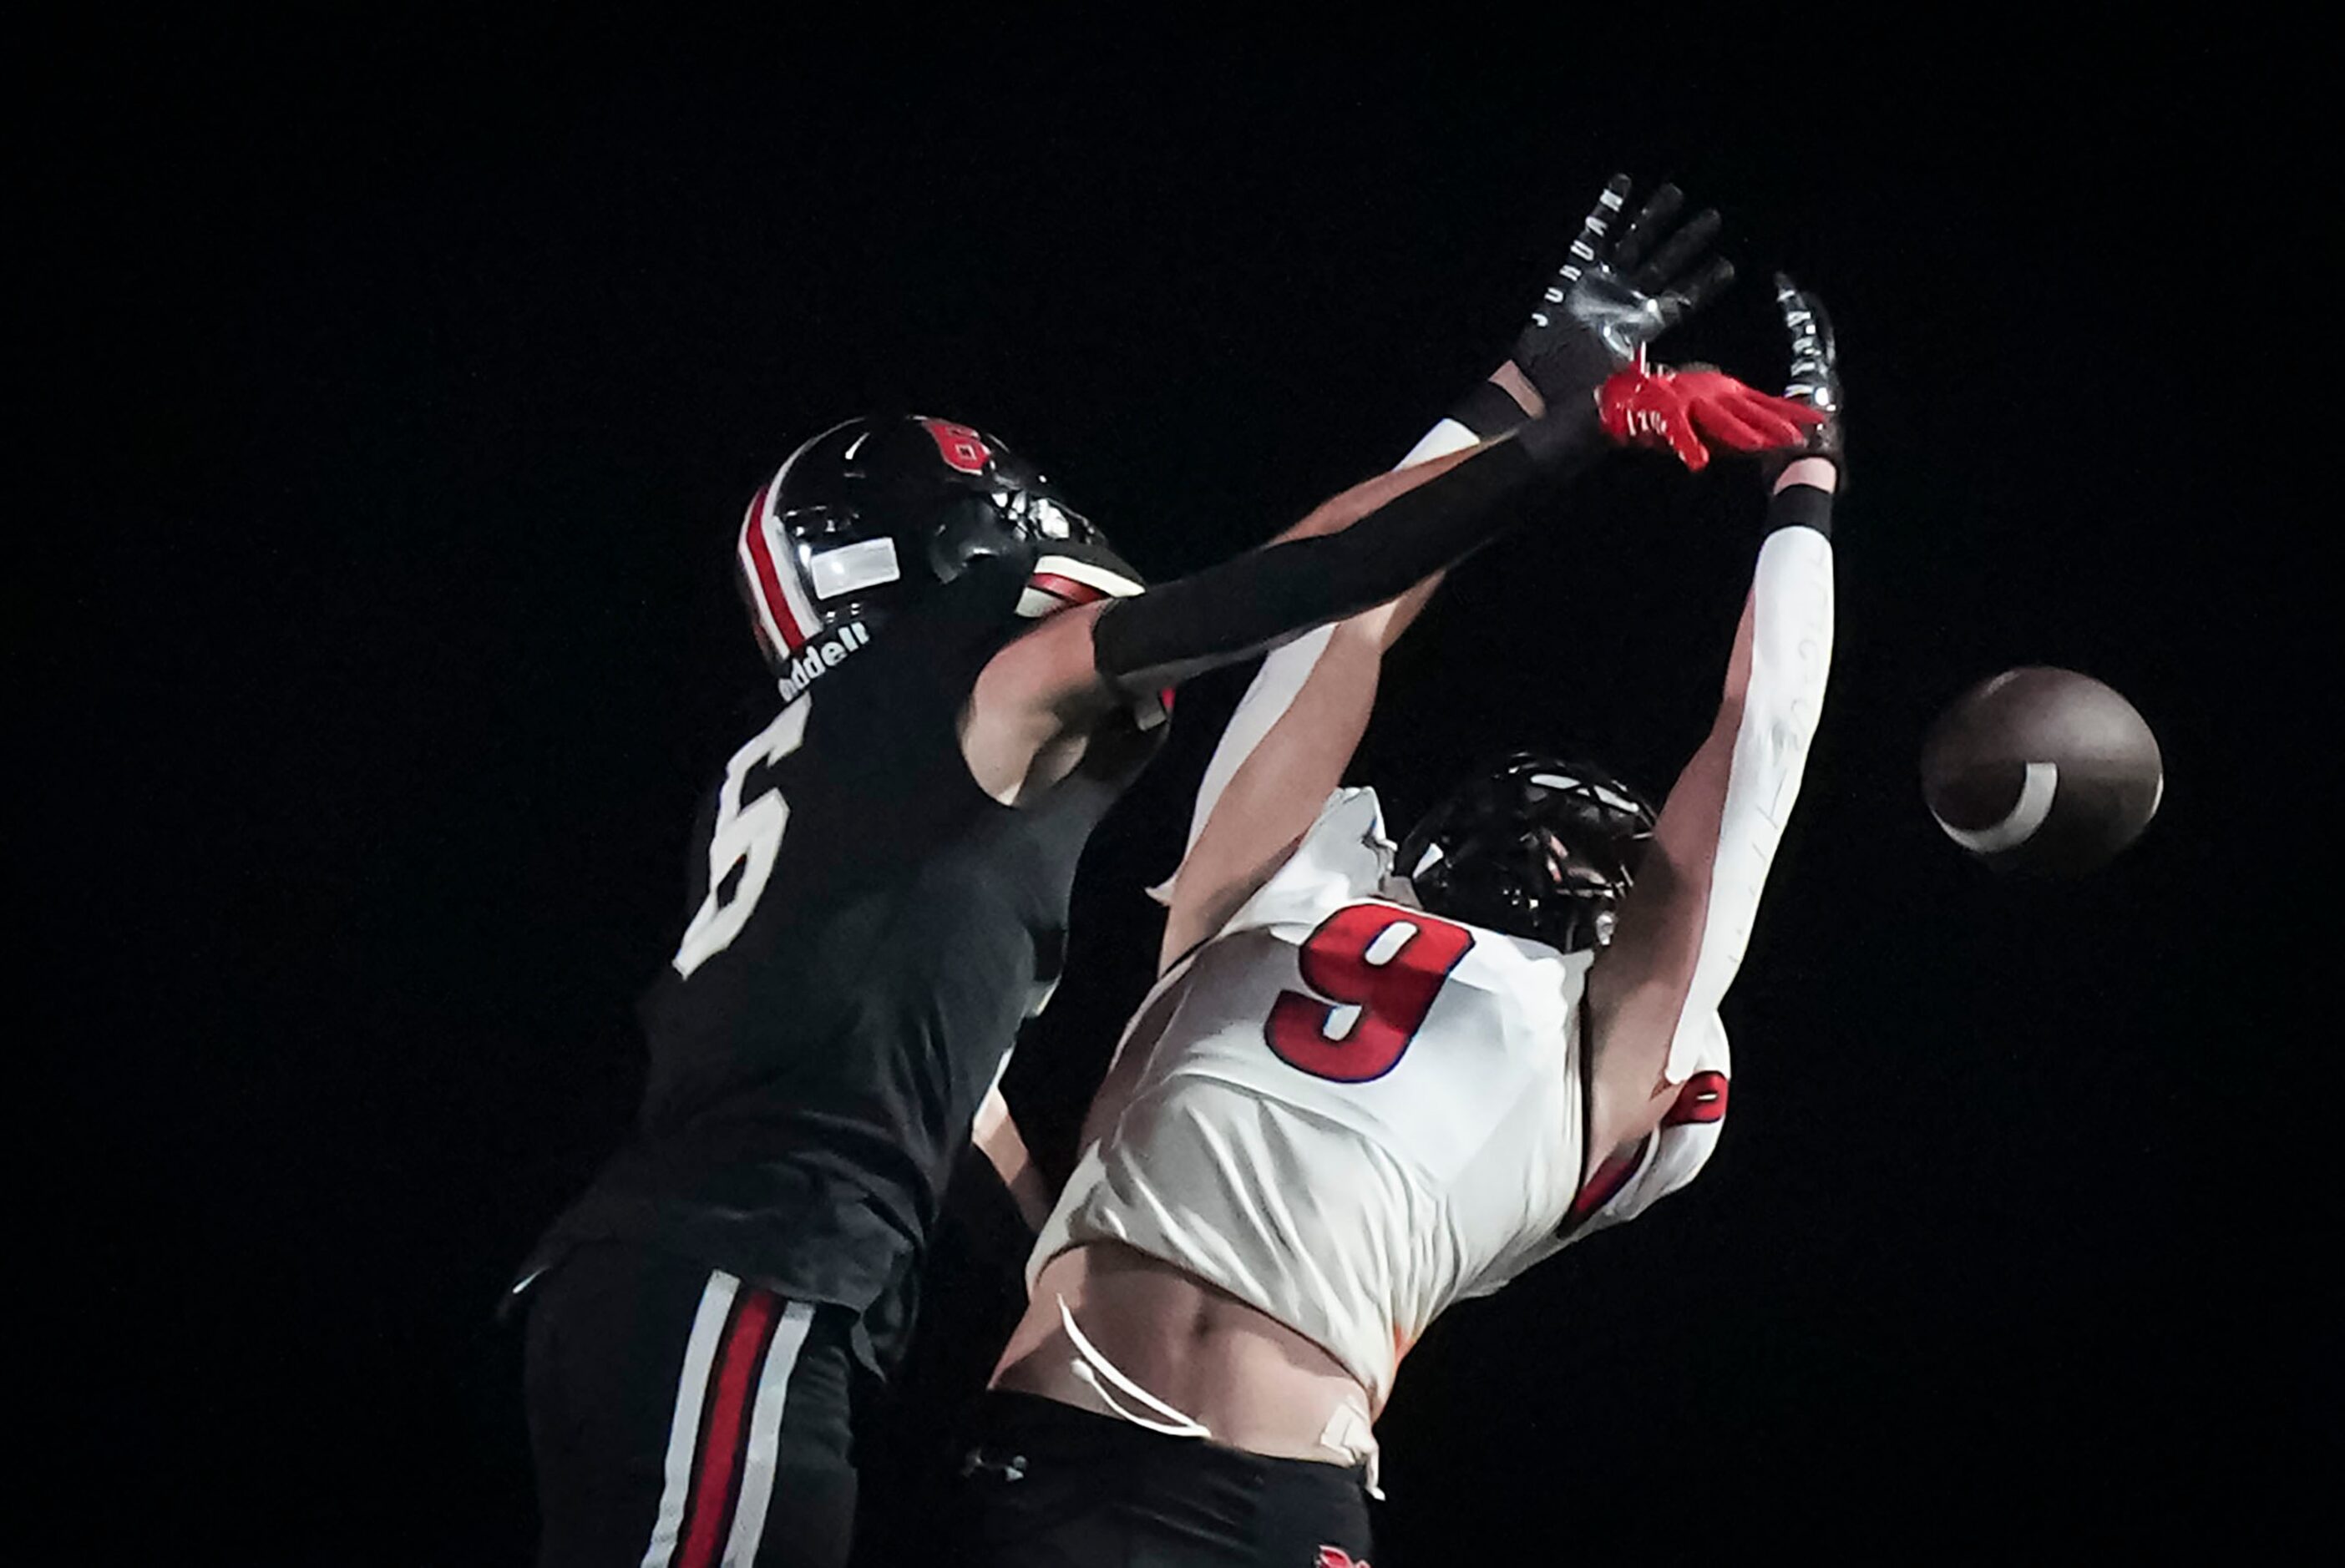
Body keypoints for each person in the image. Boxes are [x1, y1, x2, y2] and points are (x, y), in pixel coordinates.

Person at [509, 175, 1806, 1567]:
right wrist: (1557, 421)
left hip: (728, 1280)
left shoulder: (850, 796)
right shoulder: (979, 691)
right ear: (963, 551)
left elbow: (965, 1123)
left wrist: (1105, 1273)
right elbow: (1309, 582)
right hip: (748, 1270)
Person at [958, 272, 1845, 1566]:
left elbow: (1344, 609)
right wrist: (1805, 486)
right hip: (1253, 1489)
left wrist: (1525, 395)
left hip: (1066, 1448)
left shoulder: (1272, 897)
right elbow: (1759, 727)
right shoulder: (1597, 1041)